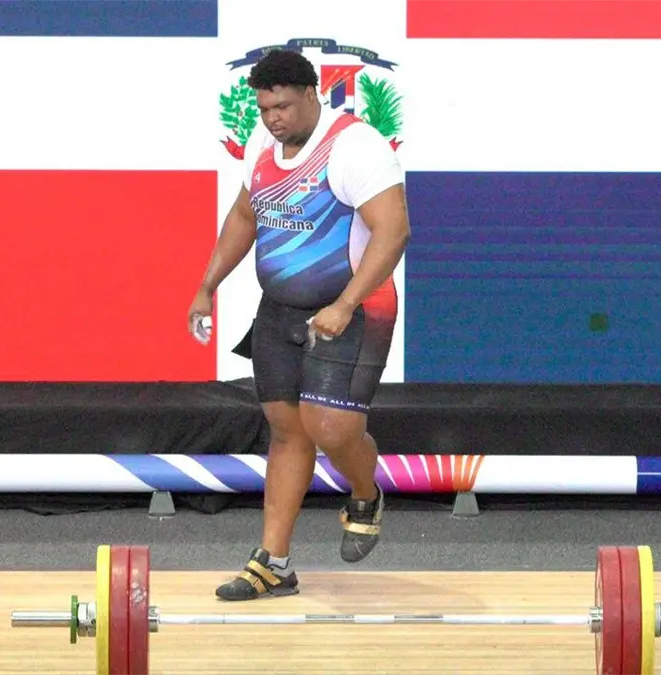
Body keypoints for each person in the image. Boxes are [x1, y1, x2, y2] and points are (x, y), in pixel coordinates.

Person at [187, 48, 410, 601]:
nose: (273, 119)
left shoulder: (355, 146)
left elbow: (393, 232)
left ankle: (366, 493)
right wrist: (207, 286)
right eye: (264, 109)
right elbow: (245, 215)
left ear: (312, 94)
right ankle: (274, 564)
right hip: (279, 312)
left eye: (283, 107)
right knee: (287, 430)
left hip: (354, 307)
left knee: (330, 429)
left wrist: (344, 304)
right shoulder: (264, 146)